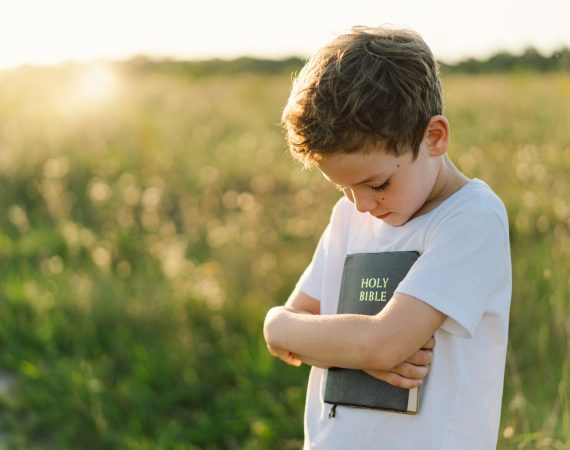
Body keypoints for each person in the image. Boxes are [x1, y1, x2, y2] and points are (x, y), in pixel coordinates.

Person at [263, 26, 512, 449]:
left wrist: (325, 340)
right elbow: (282, 328)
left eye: (377, 184)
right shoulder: (349, 217)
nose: (361, 205)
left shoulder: (472, 218)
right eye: (344, 188)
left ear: (433, 137)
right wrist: (286, 326)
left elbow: (384, 343)